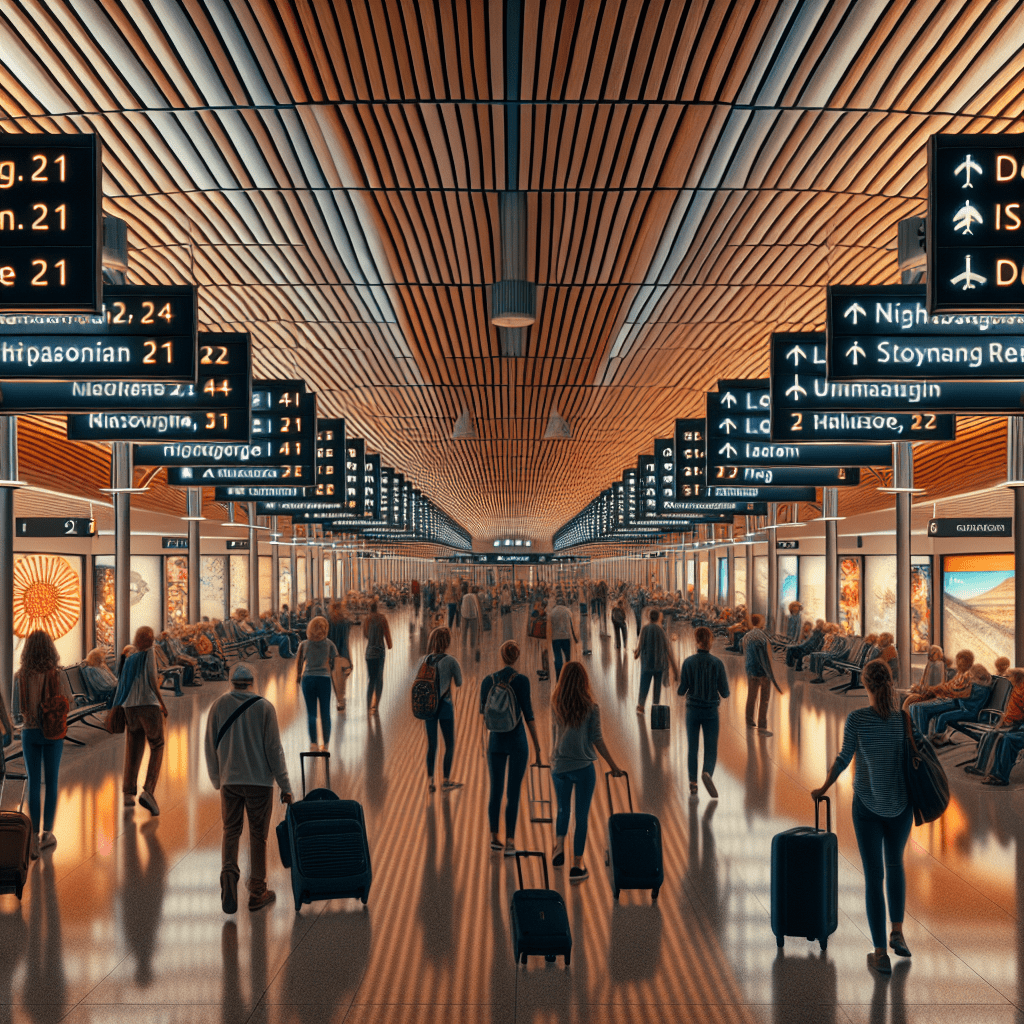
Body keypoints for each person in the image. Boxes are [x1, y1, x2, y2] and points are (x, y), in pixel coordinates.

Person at [812, 660, 913, 975]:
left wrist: (824, 787)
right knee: (895, 863)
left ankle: (880, 952)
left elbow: (844, 758)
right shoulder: (903, 719)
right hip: (901, 805)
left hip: (868, 806)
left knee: (874, 876)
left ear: (866, 685)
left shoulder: (857, 719)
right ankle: (897, 931)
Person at [204, 664, 293, 914]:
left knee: (230, 830)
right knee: (257, 835)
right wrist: (285, 786)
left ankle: (229, 878)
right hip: (260, 783)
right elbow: (274, 750)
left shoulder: (219, 706)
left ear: (231, 682)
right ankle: (257, 891)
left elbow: (209, 744)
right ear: (253, 682)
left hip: (230, 782)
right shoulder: (264, 707)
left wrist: (215, 778)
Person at [549, 661, 624, 882]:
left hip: (560, 766)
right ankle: (577, 865)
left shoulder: (556, 703)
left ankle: (558, 848)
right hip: (583, 768)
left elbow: (555, 732)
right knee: (581, 817)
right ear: (584, 680)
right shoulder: (591, 707)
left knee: (563, 810)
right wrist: (613, 766)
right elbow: (597, 739)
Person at [480, 640, 543, 856]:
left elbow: (484, 715)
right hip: (518, 742)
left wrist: (482, 743)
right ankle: (510, 841)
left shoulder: (488, 681)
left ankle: (493, 837)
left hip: (495, 741)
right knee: (513, 793)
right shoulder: (522, 681)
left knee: (495, 791)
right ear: (517, 657)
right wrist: (538, 746)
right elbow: (529, 715)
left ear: (501, 655)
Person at [14, 631, 71, 857]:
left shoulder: (20, 676)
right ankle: (47, 834)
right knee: (52, 783)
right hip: (53, 734)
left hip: (30, 733)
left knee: (33, 783)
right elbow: (70, 702)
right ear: (50, 648)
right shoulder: (57, 674)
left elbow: (16, 709)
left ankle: (33, 839)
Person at [111, 627, 167, 816]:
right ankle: (149, 791)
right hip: (148, 705)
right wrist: (162, 703)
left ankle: (128, 792)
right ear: (149, 640)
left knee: (133, 746)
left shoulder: (129, 657)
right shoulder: (148, 653)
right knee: (157, 744)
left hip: (130, 707)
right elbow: (152, 679)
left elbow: (122, 684)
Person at [677, 625, 730, 798]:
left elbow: (681, 690)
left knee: (692, 747)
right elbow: (725, 692)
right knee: (710, 748)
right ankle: (707, 772)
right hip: (711, 712)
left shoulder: (688, 662)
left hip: (692, 711)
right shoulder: (717, 663)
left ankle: (693, 783)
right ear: (710, 642)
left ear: (696, 641)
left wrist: (679, 681)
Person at [418, 627, 463, 792]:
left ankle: (430, 782)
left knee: (432, 745)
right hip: (445, 706)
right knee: (449, 744)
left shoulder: (424, 660)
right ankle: (445, 780)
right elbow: (459, 682)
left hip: (428, 707)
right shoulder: (451, 661)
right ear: (447, 643)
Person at [967, 667, 1024, 785]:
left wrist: (1012, 724)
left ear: (1017, 677)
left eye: (1009, 676)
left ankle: (1000, 776)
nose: (1007, 678)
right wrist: (1002, 723)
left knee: (1006, 739)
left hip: (1018, 725)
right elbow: (1010, 712)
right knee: (991, 734)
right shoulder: (1016, 688)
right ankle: (981, 768)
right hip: (1014, 724)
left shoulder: (1022, 691)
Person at [296, 616, 338, 750]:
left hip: (308, 679)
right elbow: (334, 662)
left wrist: (298, 676)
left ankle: (313, 743)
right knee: (325, 712)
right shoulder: (329, 644)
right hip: (324, 679)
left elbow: (299, 662)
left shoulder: (304, 644)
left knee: (311, 713)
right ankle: (325, 744)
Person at [633, 608, 677, 716]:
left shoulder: (645, 629)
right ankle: (655, 707)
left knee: (644, 684)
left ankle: (641, 706)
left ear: (649, 617)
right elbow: (668, 650)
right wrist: (675, 669)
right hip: (659, 665)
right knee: (657, 687)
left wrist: (636, 654)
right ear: (658, 617)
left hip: (647, 664)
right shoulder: (661, 631)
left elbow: (640, 645)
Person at [742, 614, 779, 734]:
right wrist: (771, 672)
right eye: (763, 620)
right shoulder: (763, 637)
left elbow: (745, 653)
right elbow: (768, 656)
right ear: (760, 622)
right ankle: (762, 725)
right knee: (764, 698)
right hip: (763, 671)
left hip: (751, 670)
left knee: (751, 696)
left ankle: (749, 720)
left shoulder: (746, 636)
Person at [362, 599, 393, 714]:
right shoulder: (382, 618)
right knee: (379, 679)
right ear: (377, 607)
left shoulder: (367, 619)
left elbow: (365, 634)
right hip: (380, 652)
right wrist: (389, 644)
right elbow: (387, 633)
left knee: (371, 679)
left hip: (370, 652)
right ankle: (376, 706)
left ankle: (368, 705)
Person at [327, 601, 353, 712]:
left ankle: (340, 699)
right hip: (344, 654)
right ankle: (341, 698)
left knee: (335, 678)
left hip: (333, 655)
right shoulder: (345, 622)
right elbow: (351, 624)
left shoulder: (329, 622)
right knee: (342, 677)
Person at [547, 596, 578, 682]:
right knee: (568, 658)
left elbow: (550, 626)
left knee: (558, 659)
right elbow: (572, 624)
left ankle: (558, 678)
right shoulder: (567, 611)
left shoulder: (552, 612)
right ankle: (568, 676)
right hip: (566, 637)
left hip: (555, 638)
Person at [461, 585, 483, 663]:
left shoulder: (465, 596)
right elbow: (478, 608)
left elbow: (462, 606)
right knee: (473, 632)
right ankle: (472, 646)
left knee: (464, 632)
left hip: (464, 615)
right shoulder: (475, 597)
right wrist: (480, 621)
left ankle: (463, 646)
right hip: (473, 616)